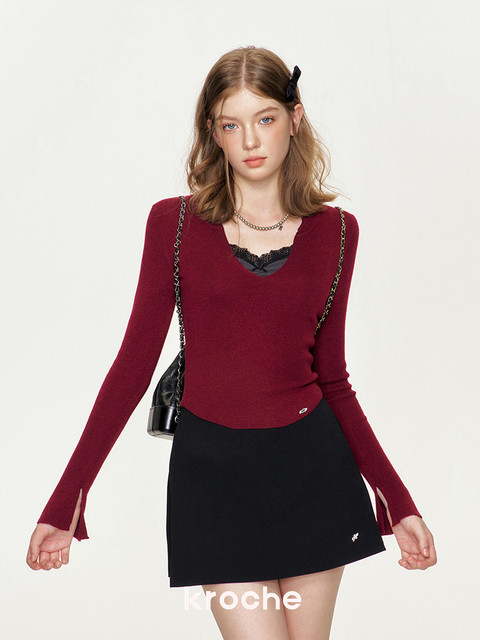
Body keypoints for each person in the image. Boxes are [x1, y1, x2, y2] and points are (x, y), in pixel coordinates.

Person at [27, 46, 437, 639]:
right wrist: (68, 500)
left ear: (294, 118)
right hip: (213, 481)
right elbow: (131, 370)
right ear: (212, 132)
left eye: (265, 118)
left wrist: (397, 502)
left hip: (313, 474)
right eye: (231, 124)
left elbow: (332, 378)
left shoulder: (338, 234)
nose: (250, 140)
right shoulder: (173, 225)